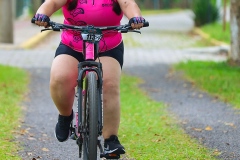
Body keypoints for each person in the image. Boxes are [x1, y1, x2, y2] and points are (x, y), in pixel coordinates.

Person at [33, 0, 146, 155]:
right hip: (73, 43)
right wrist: (42, 15)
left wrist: (136, 18)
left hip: (108, 45)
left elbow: (128, 3)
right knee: (59, 78)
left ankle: (110, 140)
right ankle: (65, 116)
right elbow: (51, 3)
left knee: (110, 84)